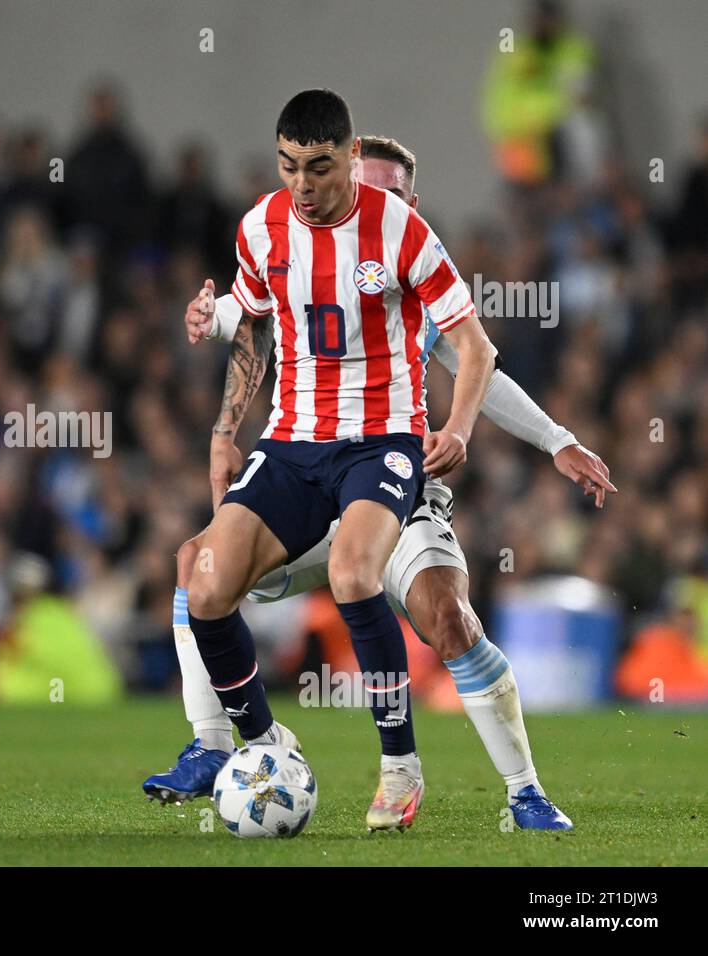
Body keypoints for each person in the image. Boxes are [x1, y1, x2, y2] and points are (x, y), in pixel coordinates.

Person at [146, 135, 611, 831]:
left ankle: (524, 793)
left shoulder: (410, 271)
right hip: (308, 475)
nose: (368, 203)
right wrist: (211, 320)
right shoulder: (303, 247)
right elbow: (264, 316)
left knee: (447, 618)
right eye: (362, 188)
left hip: (393, 485)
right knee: (196, 567)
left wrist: (555, 440)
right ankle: (214, 744)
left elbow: (480, 367)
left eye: (389, 193)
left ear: (409, 203)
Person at [156, 90, 497, 833]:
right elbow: (251, 329)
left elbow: (476, 346)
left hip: (384, 439)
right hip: (292, 441)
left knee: (351, 574)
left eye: (317, 167)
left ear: (348, 158)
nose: (302, 185)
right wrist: (224, 428)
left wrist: (460, 428)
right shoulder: (260, 228)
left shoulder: (400, 230)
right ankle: (265, 743)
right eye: (288, 167)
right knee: (204, 584)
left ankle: (400, 769)